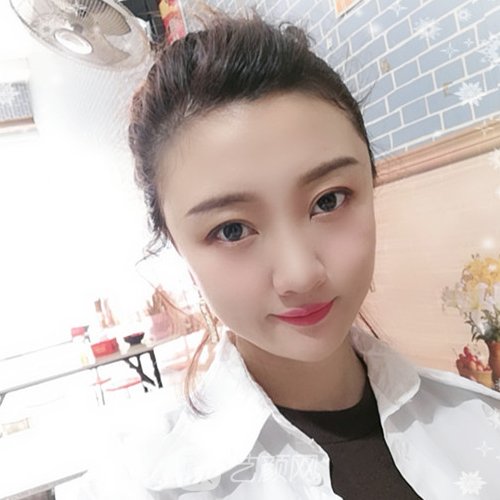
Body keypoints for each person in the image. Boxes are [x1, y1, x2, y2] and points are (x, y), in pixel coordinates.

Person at [76, 10, 500, 500]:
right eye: (232, 229)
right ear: (176, 246)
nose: (300, 274)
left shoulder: (479, 422)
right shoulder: (135, 485)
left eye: (329, 200)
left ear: (371, 183)